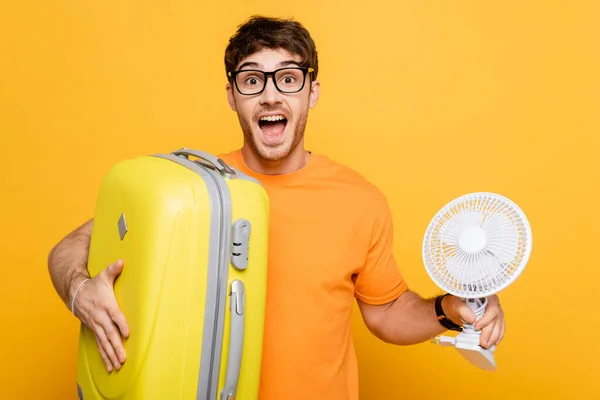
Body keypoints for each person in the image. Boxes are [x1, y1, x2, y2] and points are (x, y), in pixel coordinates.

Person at [47, 15, 505, 400]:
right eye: (252, 80)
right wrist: (79, 291)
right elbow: (72, 246)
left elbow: (385, 312)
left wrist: (448, 309)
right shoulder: (192, 189)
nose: (270, 95)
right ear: (232, 96)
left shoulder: (359, 199)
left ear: (312, 92)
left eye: (288, 78)